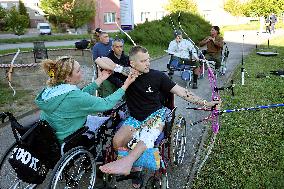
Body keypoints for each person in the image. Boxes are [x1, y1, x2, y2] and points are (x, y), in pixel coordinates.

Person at [96, 46, 221, 188]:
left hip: (156, 115)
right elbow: (100, 60)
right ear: (132, 63)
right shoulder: (126, 73)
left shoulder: (158, 76)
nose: (148, 63)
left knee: (147, 136)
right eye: (143, 61)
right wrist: (121, 69)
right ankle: (136, 169)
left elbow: (183, 92)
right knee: (117, 141)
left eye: (148, 59)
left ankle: (128, 162)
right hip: (135, 118)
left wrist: (207, 103)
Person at [35, 56, 139, 143]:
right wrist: (125, 85)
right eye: (78, 70)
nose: (82, 72)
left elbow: (79, 96)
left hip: (59, 131)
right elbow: (106, 104)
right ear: (67, 77)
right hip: (71, 135)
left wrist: (100, 79)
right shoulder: (74, 96)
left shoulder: (52, 90)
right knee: (113, 120)